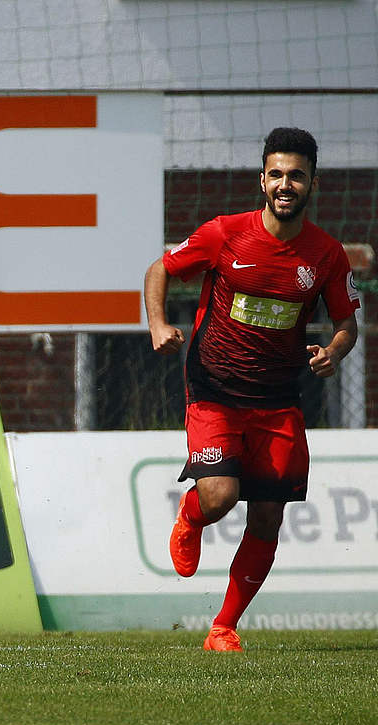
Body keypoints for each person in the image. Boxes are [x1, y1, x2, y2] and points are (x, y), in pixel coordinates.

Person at [144, 127, 360, 652]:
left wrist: (334, 351)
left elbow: (348, 323)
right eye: (277, 175)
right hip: (215, 386)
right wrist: (157, 324)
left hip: (278, 397)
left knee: (267, 515)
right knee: (220, 497)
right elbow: (160, 268)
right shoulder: (224, 233)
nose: (286, 185)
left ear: (313, 182)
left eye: (297, 176)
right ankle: (192, 516)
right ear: (262, 180)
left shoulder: (327, 255)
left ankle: (223, 627)